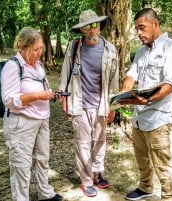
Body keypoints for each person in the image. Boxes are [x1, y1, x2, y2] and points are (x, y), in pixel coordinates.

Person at [119, 8, 172, 201]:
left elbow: (171, 83)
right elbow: (132, 75)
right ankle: (145, 187)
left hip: (158, 116)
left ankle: (169, 196)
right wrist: (124, 91)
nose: (139, 33)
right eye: (136, 29)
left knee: (162, 161)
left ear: (155, 24)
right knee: (141, 158)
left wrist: (148, 99)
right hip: (139, 116)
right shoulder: (141, 50)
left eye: (142, 28)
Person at [59, 9, 119, 197]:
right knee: (83, 143)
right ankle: (86, 180)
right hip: (80, 103)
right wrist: (64, 98)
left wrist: (113, 105)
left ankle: (97, 173)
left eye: (95, 25)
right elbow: (65, 73)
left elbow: (114, 80)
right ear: (82, 30)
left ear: (99, 26)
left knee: (100, 141)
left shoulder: (110, 49)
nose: (92, 30)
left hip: (101, 103)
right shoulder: (74, 47)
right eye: (87, 27)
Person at [1, 27, 63, 201]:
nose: (39, 53)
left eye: (41, 48)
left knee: (43, 159)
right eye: (35, 49)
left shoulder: (38, 65)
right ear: (23, 47)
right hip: (22, 123)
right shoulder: (12, 66)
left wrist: (50, 94)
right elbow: (9, 99)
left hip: (42, 119)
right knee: (21, 164)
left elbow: (42, 87)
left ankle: (45, 193)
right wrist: (38, 96)